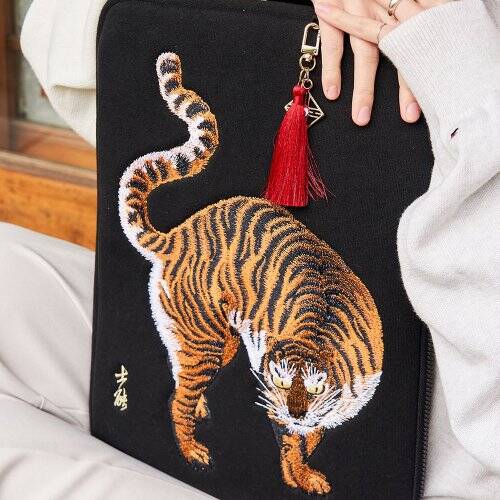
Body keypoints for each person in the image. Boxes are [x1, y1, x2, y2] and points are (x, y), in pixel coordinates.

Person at [0, 0, 498, 498]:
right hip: (205, 291)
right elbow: (56, 44)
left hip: (447, 454)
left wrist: (451, 60)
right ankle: (183, 416)